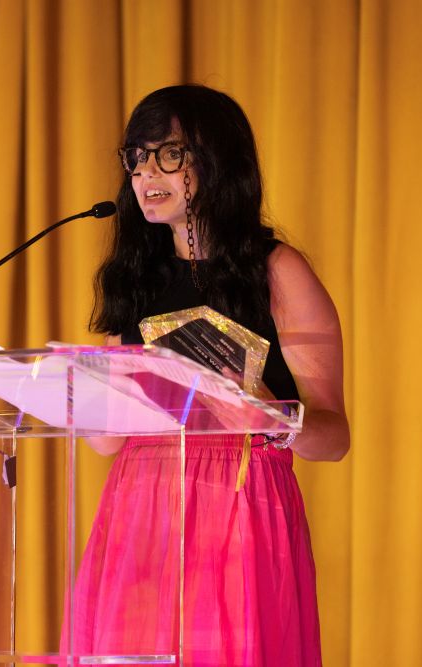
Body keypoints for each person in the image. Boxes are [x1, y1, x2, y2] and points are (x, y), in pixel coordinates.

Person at [68, 85, 349, 666]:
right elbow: (106, 442)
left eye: (168, 154)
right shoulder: (134, 278)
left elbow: (335, 438)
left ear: (216, 161)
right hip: (141, 508)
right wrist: (80, 391)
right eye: (136, 157)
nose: (146, 173)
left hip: (240, 502)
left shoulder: (276, 271)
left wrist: (273, 415)